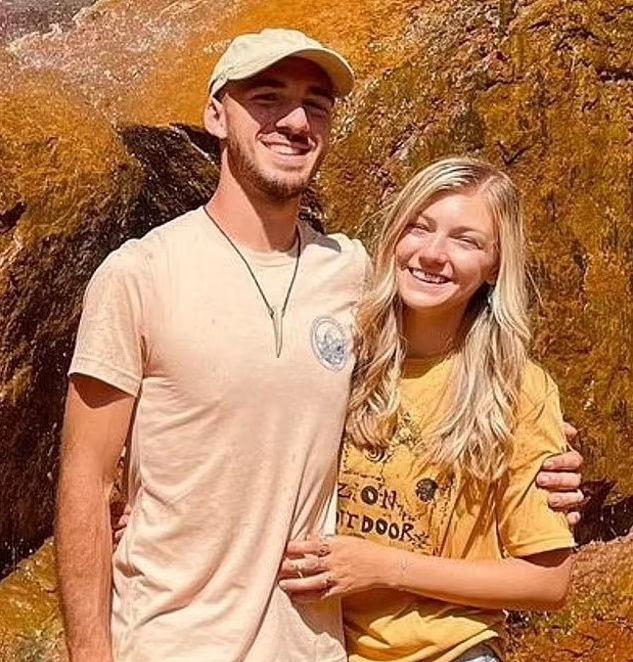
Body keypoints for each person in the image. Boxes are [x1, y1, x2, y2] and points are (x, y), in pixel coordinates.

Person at [55, 29, 582, 662]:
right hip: (172, 642)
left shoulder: (354, 276)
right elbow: (85, 483)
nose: (296, 121)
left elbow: (455, 359)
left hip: (314, 648)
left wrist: (545, 449)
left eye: (316, 104)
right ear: (216, 115)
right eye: (268, 97)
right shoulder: (137, 275)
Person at [279, 157, 576, 662]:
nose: (433, 254)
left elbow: (548, 582)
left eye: (466, 241)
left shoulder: (517, 389)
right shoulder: (338, 357)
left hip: (452, 651)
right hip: (316, 645)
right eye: (420, 227)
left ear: (495, 266)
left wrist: (384, 567)